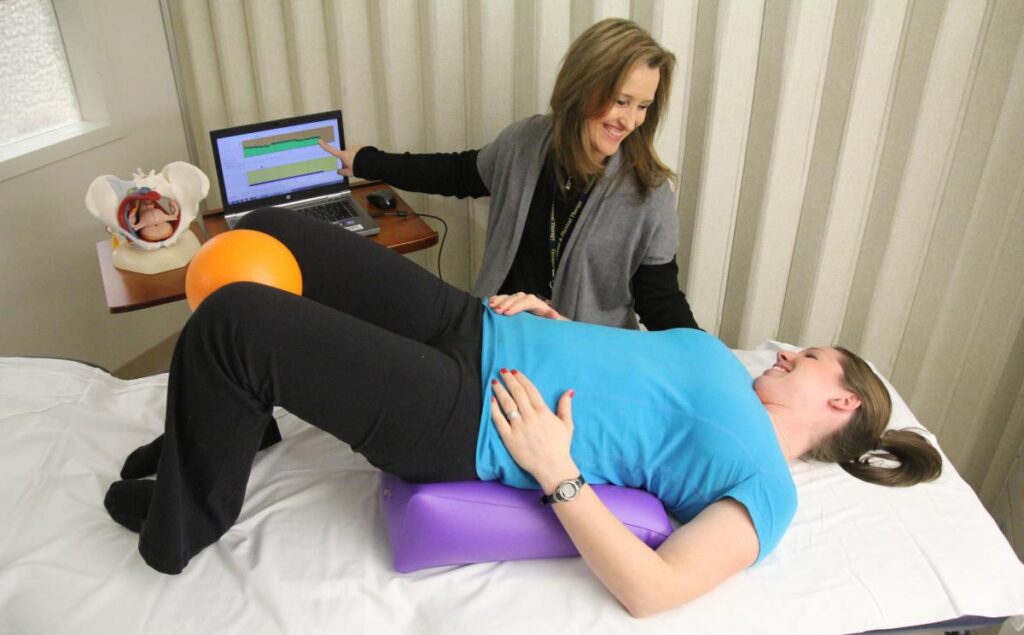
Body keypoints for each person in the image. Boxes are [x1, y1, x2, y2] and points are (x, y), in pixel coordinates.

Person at [103, 209, 941, 617]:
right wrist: (553, 317)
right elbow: (632, 367)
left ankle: (181, 525)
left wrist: (560, 472)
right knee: (275, 238)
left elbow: (657, 590)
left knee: (235, 321)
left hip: (471, 416)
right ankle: (234, 421)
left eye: (807, 358)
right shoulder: (721, 360)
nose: (785, 353)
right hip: (479, 327)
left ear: (842, 400)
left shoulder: (767, 489)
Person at [319, 18, 698, 331]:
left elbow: (661, 302)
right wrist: (368, 162)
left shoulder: (649, 194)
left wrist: (709, 363)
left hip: (580, 358)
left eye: (643, 106)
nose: (630, 121)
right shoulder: (525, 143)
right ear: (582, 87)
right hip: (497, 333)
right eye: (621, 101)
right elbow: (457, 173)